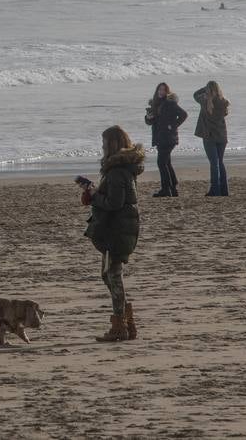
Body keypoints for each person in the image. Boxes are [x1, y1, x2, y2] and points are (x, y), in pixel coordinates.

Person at [80, 125, 144, 341]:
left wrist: (95, 197)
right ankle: (126, 321)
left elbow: (115, 203)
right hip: (119, 228)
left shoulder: (117, 171)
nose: (102, 147)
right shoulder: (122, 169)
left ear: (112, 144)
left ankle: (121, 326)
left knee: (112, 276)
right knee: (109, 275)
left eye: (104, 143)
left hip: (116, 230)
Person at [144, 82, 187, 197]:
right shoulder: (155, 103)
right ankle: (173, 189)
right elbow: (150, 122)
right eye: (159, 89)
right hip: (159, 137)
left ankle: (166, 189)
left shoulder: (170, 103)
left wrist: (173, 126)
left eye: (163, 90)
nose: (161, 92)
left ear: (167, 92)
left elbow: (184, 114)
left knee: (161, 163)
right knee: (166, 163)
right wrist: (148, 118)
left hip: (168, 138)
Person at [193, 81, 230, 196]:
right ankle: (224, 190)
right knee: (220, 162)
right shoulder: (224, 102)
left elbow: (195, 95)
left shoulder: (205, 101)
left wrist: (204, 88)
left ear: (208, 90)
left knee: (214, 163)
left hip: (209, 136)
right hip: (222, 136)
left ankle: (215, 189)